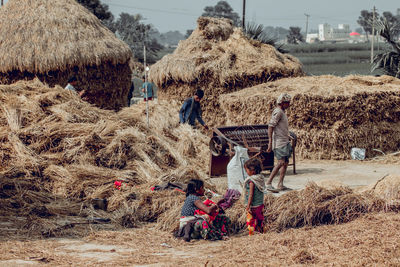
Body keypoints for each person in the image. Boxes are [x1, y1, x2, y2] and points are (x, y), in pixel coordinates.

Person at [265, 93, 293, 192]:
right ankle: (268, 183)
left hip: (284, 141)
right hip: (279, 142)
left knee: (285, 162)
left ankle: (280, 184)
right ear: (282, 103)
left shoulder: (282, 112)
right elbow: (270, 127)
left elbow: (280, 127)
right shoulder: (278, 112)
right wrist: (270, 142)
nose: (289, 104)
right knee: (280, 162)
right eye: (287, 103)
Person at [243, 158, 265, 235]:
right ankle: (260, 231)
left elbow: (251, 195)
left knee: (251, 220)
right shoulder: (260, 178)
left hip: (254, 206)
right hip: (260, 204)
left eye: (247, 170)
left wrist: (248, 206)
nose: (246, 172)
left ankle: (252, 233)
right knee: (260, 219)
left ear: (253, 171)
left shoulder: (252, 181)